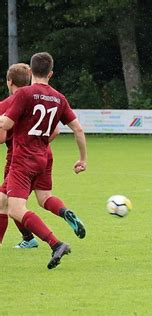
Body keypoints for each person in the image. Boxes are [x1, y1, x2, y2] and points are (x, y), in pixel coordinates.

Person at [0, 52, 87, 269]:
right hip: (43, 156)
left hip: (22, 160)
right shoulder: (59, 98)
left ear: (31, 71)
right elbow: (78, 128)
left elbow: (6, 125)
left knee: (15, 210)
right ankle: (64, 214)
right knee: (42, 197)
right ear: (51, 73)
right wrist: (82, 159)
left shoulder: (25, 94)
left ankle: (55, 243)